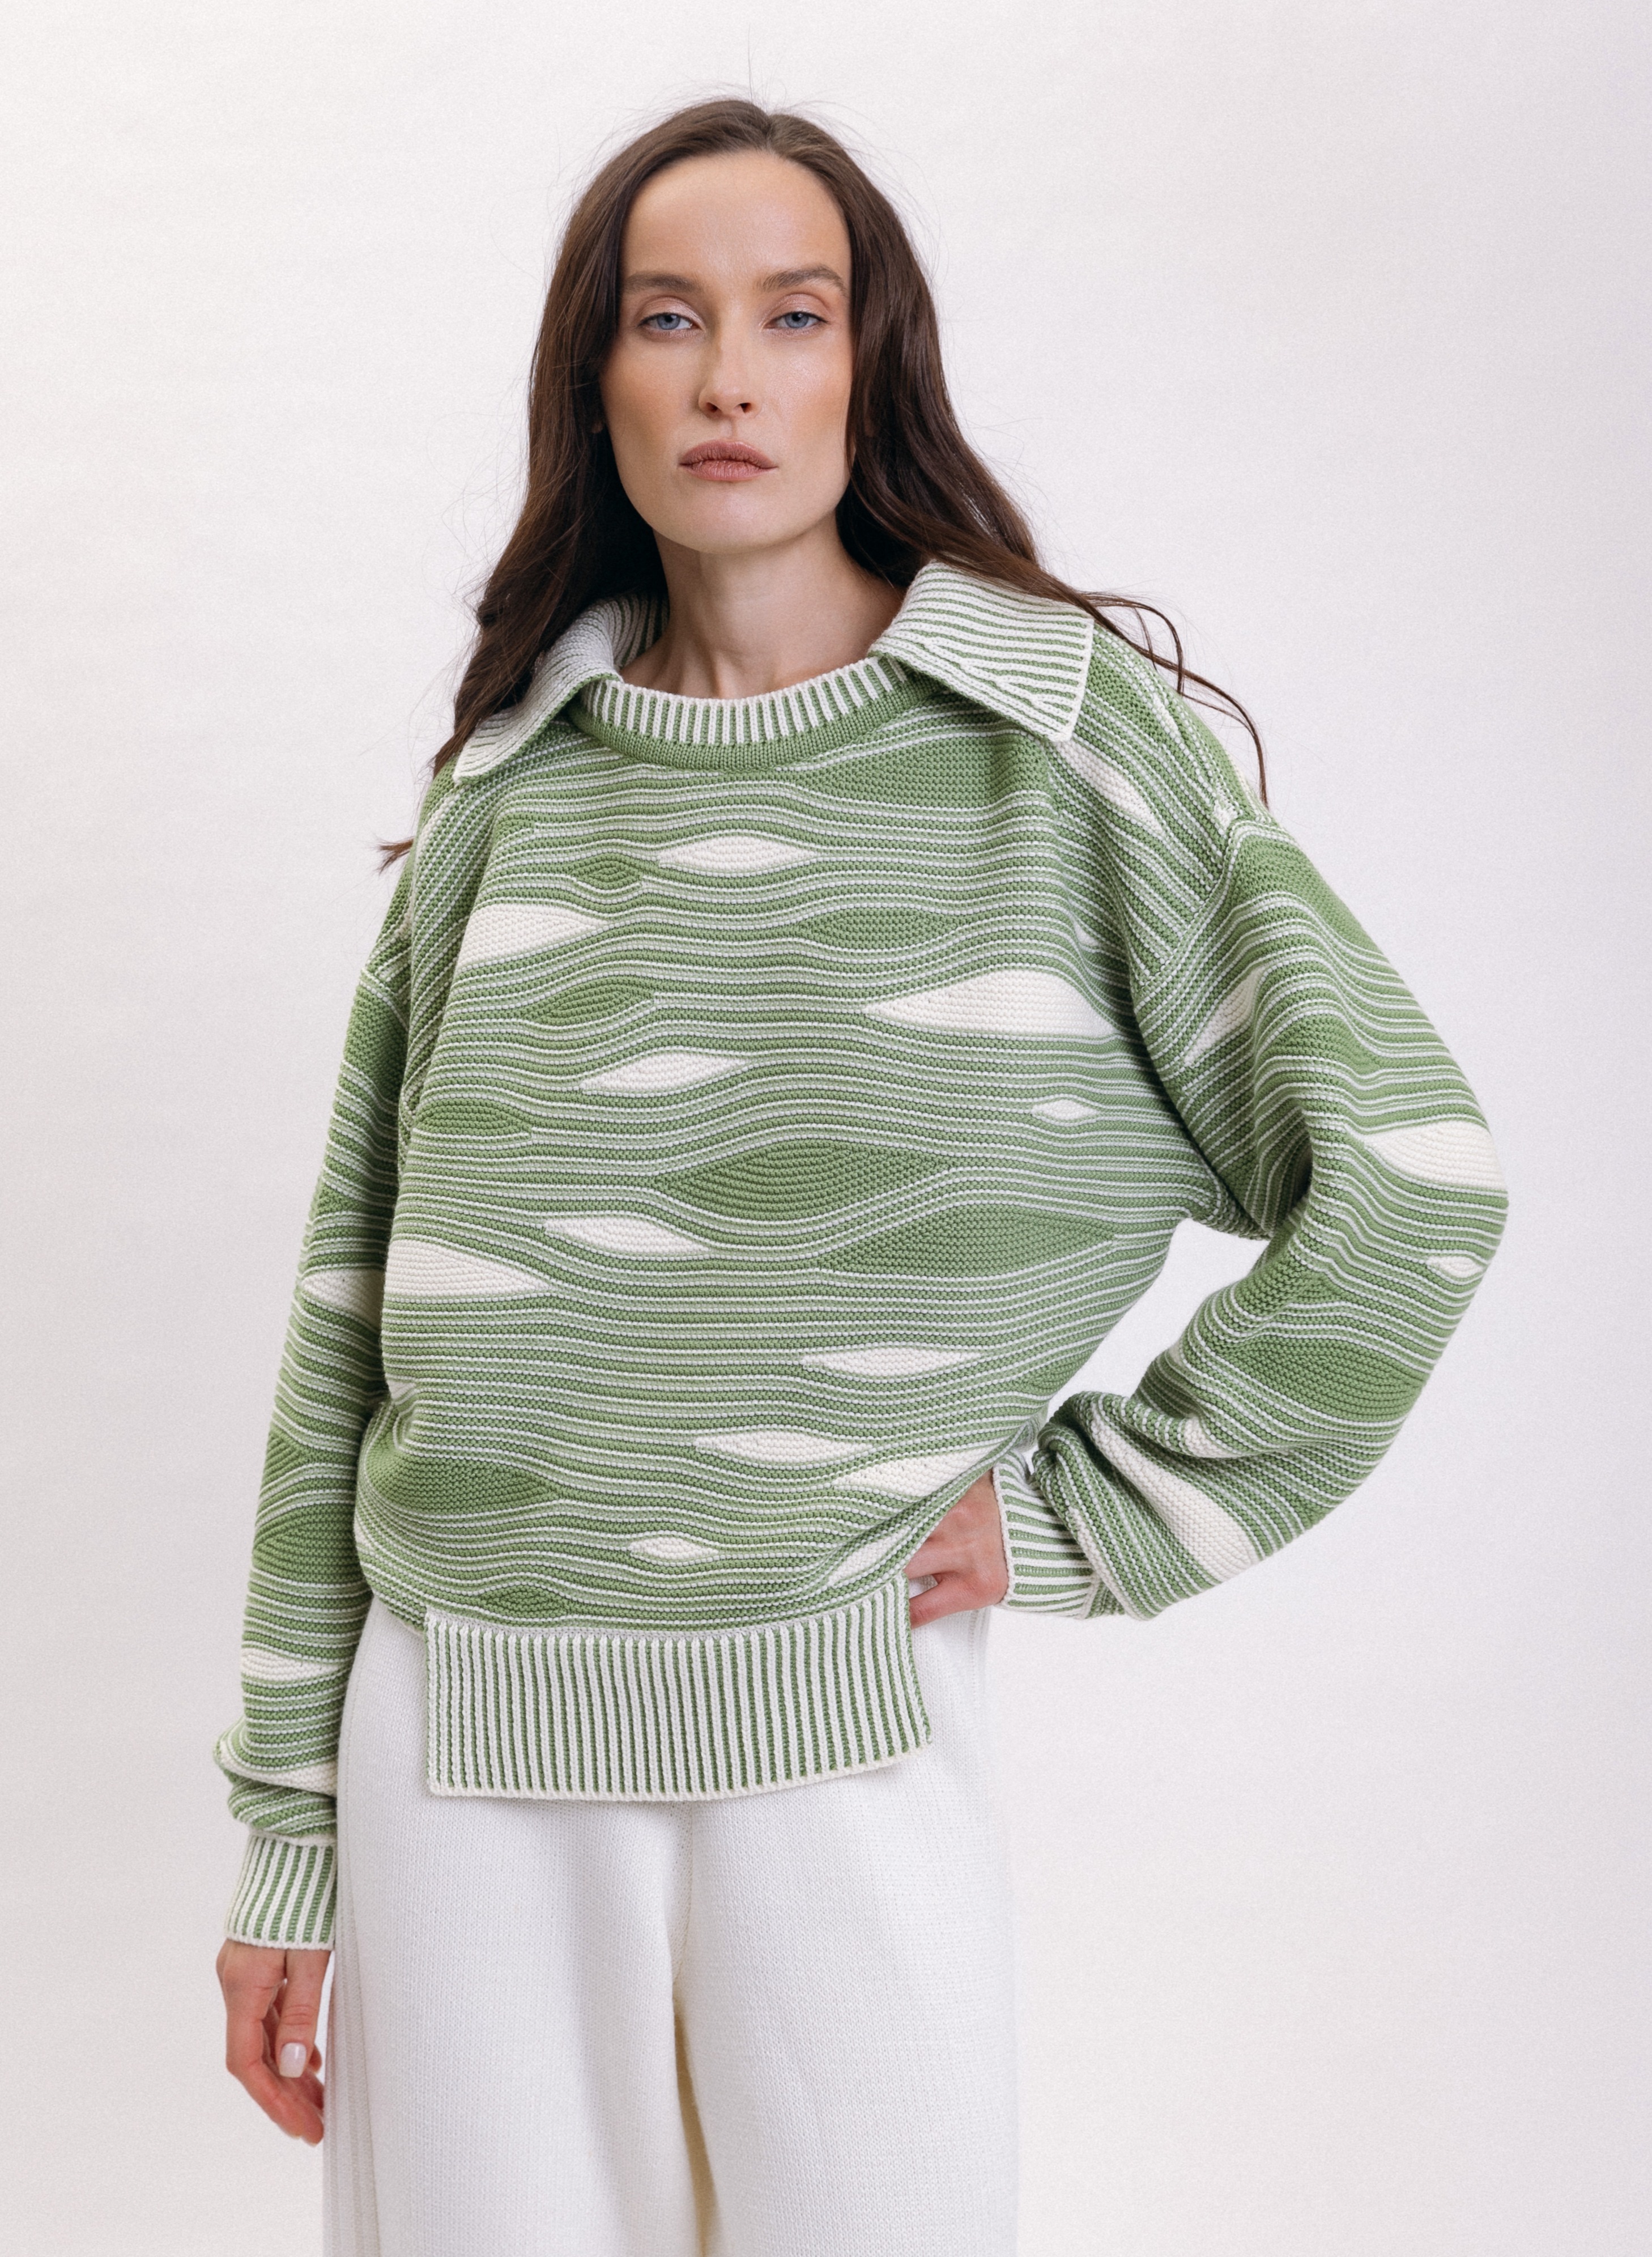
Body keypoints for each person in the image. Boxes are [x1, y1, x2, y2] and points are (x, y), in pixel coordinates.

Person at [213, 97, 1507, 2257]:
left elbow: (1411, 1173)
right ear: (594, 382)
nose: (728, 375)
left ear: (866, 363)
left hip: (840, 1725)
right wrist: (288, 1840)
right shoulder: (510, 794)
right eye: (666, 319)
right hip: (452, 1744)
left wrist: (1096, 1511)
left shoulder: (1050, 738)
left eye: (791, 315)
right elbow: (347, 1326)